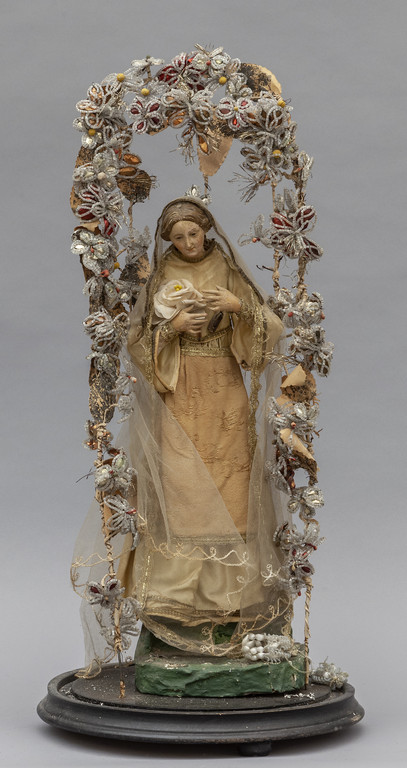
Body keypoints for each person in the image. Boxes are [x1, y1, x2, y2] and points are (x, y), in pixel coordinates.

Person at [117, 197, 292, 656]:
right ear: (168, 240)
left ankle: (228, 599)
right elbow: (137, 342)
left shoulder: (227, 267)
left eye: (193, 234)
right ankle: (178, 600)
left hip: (224, 389)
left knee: (230, 483)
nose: (188, 243)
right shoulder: (160, 274)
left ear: (206, 230)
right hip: (180, 392)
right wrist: (172, 326)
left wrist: (238, 306)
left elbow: (270, 328)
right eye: (178, 237)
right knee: (182, 485)